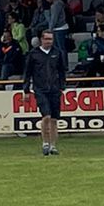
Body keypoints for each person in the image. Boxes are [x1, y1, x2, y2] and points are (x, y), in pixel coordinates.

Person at [23, 28, 66, 157]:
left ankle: (53, 145)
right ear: (41, 39)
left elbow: (62, 70)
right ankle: (45, 143)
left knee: (54, 119)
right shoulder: (33, 54)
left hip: (54, 89)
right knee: (46, 116)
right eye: (46, 39)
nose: (49, 41)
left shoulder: (57, 53)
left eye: (51, 39)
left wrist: (62, 86)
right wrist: (26, 89)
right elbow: (27, 73)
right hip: (40, 89)